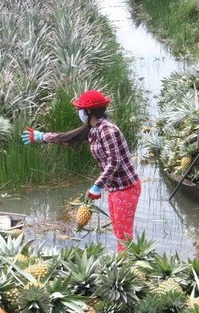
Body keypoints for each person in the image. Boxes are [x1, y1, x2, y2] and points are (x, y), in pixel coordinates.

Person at [21, 90, 141, 251]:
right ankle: (124, 263)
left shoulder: (107, 130)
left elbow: (114, 162)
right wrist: (41, 136)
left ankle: (129, 267)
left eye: (80, 109)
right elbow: (69, 138)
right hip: (115, 187)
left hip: (126, 188)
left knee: (123, 234)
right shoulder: (94, 128)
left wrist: (97, 186)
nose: (79, 112)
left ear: (89, 111)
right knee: (119, 231)